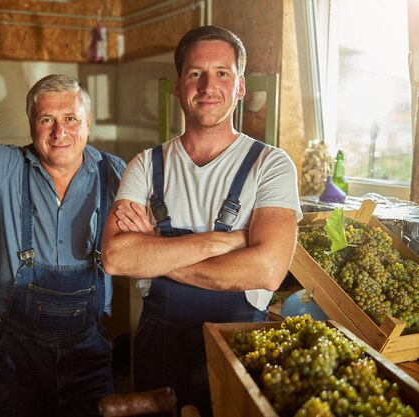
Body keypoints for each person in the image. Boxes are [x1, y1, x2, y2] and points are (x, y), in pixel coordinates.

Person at [101, 25, 302, 416]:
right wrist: (222, 242)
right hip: (157, 348)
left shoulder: (271, 165)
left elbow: (267, 269)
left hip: (238, 345)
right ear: (178, 86)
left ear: (240, 86)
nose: (208, 85)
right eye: (195, 73)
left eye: (222, 73)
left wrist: (156, 252)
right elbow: (116, 258)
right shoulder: (146, 165)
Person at [0, 74, 126, 416]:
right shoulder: (2, 166)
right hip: (15, 359)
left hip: (88, 357)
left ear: (87, 123)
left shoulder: (118, 174)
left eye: (70, 119)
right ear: (32, 124)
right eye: (47, 119)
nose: (59, 132)